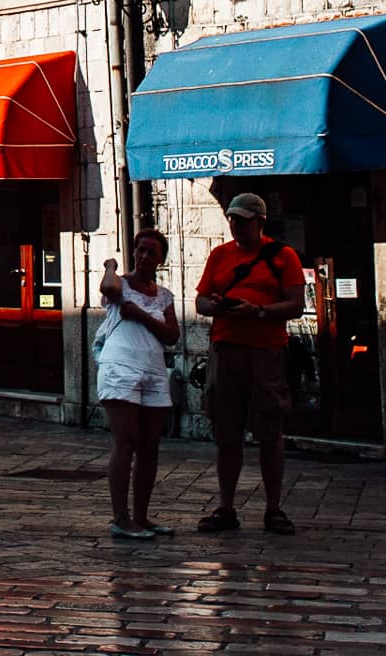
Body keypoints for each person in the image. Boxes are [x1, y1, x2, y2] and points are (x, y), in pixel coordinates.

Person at [195, 191, 307, 535]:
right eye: (232, 220)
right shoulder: (219, 255)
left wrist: (257, 312)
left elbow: (295, 305)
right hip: (226, 349)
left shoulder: (283, 256)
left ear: (260, 222)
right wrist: (216, 306)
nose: (236, 227)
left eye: (243, 221)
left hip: (266, 351)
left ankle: (273, 508)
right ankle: (226, 506)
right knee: (226, 433)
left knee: (270, 432)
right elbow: (199, 299)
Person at [95, 229, 181, 540]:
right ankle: (121, 517)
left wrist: (142, 317)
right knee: (126, 440)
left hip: (153, 370)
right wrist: (110, 266)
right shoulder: (121, 286)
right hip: (120, 368)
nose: (144, 256)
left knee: (150, 446)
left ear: (161, 259)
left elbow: (172, 335)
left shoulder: (164, 296)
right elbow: (107, 286)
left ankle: (142, 516)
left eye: (151, 252)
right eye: (140, 250)